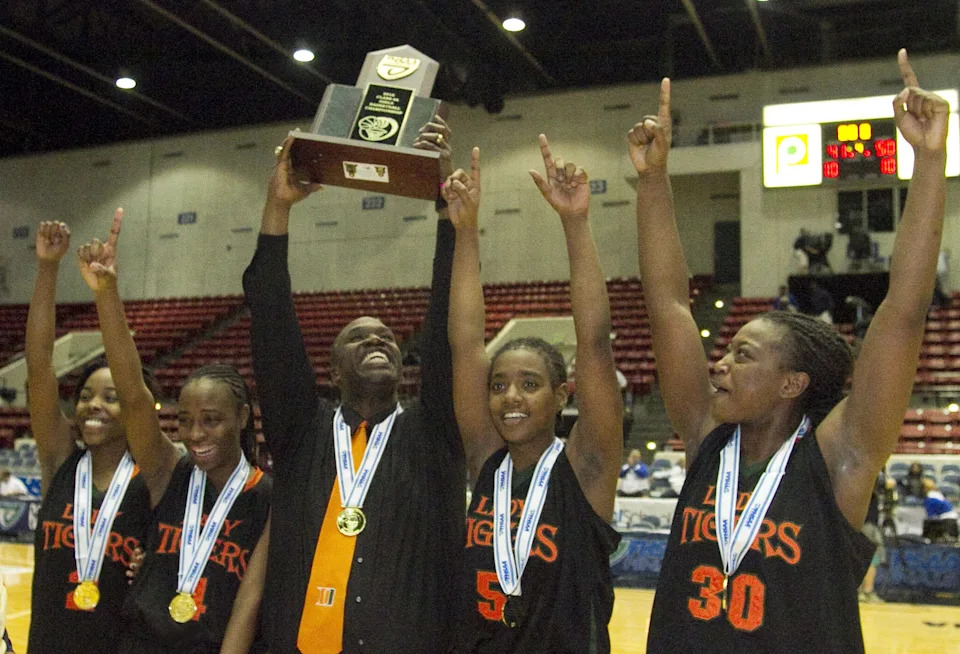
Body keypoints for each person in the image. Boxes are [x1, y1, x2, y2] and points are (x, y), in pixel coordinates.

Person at [630, 50, 947, 652]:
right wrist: (652, 182)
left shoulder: (837, 462)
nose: (718, 363)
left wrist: (928, 162)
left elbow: (902, 314)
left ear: (792, 383)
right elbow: (669, 305)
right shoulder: (707, 438)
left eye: (744, 355)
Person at [242, 117, 464, 653]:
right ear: (332, 371)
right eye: (359, 338)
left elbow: (448, 323)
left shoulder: (435, 431)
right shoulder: (301, 431)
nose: (378, 340)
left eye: (387, 337)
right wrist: (278, 208)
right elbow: (271, 316)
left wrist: (447, 212)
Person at [447, 139, 622, 651]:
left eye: (529, 384)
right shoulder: (486, 459)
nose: (510, 398)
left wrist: (575, 222)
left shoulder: (586, 466)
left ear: (561, 395)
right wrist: (465, 233)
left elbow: (593, 343)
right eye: (498, 386)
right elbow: (465, 344)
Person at [76, 210, 272, 653]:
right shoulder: (171, 472)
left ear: (241, 418)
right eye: (184, 421)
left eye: (211, 419)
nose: (195, 434)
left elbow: (251, 603)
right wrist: (106, 293)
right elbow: (133, 395)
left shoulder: (267, 499)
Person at [25, 221, 153, 653]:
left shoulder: (153, 474)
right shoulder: (61, 457)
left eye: (110, 397)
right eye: (84, 395)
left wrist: (104, 291)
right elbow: (40, 366)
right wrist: (48, 268)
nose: (93, 405)